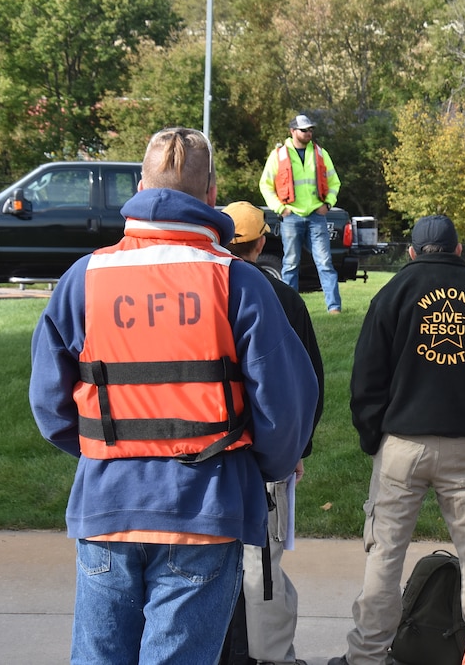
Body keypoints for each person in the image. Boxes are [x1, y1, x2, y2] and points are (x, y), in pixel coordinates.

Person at [29, 127, 318, 664]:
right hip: (206, 509)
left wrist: (109, 448)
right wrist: (259, 467)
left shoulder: (84, 278)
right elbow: (287, 410)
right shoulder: (238, 282)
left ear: (139, 186)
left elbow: (51, 407)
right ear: (211, 193)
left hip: (107, 506)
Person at [329, 215, 465, 665]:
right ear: (458, 250)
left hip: (402, 444)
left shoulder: (392, 294)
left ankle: (366, 657)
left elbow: (366, 379)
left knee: (384, 556)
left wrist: (374, 436)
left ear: (413, 252)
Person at [223, 201, 327, 665]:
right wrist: (297, 448)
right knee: (260, 563)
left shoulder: (208, 288)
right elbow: (309, 384)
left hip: (210, 450)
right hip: (266, 454)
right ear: (263, 242)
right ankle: (270, 656)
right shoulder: (284, 297)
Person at [259, 113, 342, 313]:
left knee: (324, 263)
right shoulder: (278, 155)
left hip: (316, 215)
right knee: (290, 264)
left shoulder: (321, 153)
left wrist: (328, 204)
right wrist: (281, 208)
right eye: (304, 130)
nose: (308, 133)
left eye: (310, 129)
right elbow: (265, 184)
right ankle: (289, 308)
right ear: (292, 131)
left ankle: (334, 308)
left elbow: (334, 182)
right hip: (291, 216)